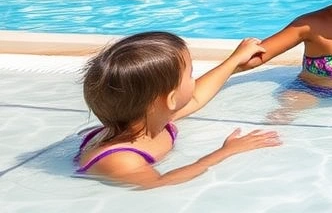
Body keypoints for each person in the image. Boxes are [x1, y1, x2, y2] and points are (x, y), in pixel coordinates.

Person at [76, 32, 280, 188]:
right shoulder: (120, 160)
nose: (194, 80)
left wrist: (235, 60)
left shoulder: (149, 117)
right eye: (190, 75)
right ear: (171, 99)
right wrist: (225, 152)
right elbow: (159, 184)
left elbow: (197, 97)